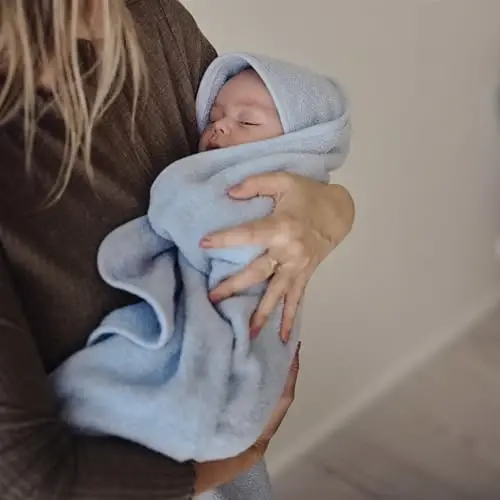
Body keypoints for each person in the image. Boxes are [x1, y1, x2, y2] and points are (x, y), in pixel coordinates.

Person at [0, 1, 355, 499]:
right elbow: (32, 482)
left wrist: (331, 208)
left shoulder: (150, 19)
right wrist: (238, 458)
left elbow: (279, 149)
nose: (220, 126)